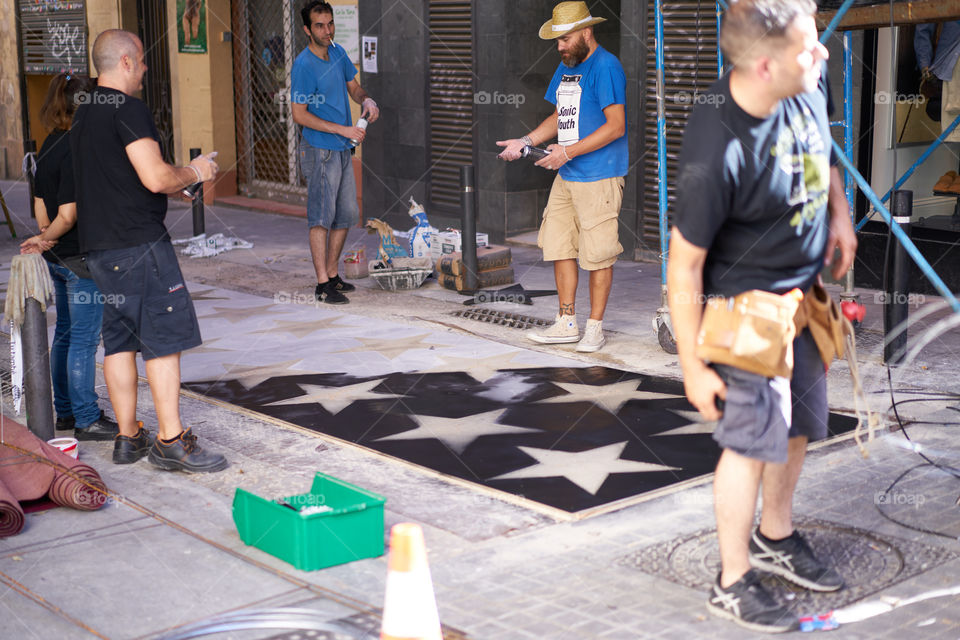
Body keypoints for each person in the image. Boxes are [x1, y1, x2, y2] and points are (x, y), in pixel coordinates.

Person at [667, 0, 857, 632]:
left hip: (803, 295)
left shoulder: (803, 81)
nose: (823, 52)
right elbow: (683, 267)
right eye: (810, 48)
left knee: (801, 425)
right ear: (766, 65)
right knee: (749, 445)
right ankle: (732, 577)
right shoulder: (715, 143)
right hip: (740, 308)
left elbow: (822, 148)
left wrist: (840, 214)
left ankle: (777, 534)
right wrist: (693, 367)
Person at [70, 29, 227, 472]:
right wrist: (193, 172)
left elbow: (119, 177)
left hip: (99, 251)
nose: (143, 70)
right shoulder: (128, 108)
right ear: (123, 62)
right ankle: (171, 441)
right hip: (139, 246)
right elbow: (155, 177)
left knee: (119, 341)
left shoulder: (83, 114)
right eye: (140, 62)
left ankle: (127, 436)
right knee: (162, 339)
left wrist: (172, 181)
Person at [496, 1, 628, 353]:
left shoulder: (606, 67)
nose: (559, 46)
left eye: (565, 38)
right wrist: (525, 142)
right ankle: (566, 322)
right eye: (556, 40)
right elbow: (558, 117)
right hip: (567, 173)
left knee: (598, 254)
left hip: (598, 176)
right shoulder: (567, 67)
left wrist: (567, 151)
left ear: (586, 32)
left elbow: (616, 127)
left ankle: (595, 328)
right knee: (558, 245)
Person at [20, 73, 119, 442]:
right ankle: (87, 417)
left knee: (63, 334)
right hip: (81, 260)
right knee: (83, 340)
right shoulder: (80, 146)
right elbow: (68, 214)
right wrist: (46, 238)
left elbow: (40, 204)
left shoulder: (49, 143)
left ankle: (64, 411)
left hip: (59, 260)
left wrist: (46, 241)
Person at [291, 0, 380, 304]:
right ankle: (320, 284)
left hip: (342, 149)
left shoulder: (338, 52)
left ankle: (332, 274)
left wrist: (366, 100)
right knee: (320, 216)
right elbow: (299, 114)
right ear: (307, 29)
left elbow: (353, 87)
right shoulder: (303, 65)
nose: (327, 30)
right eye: (319, 25)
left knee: (347, 215)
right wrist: (342, 130)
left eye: (330, 23)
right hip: (319, 149)